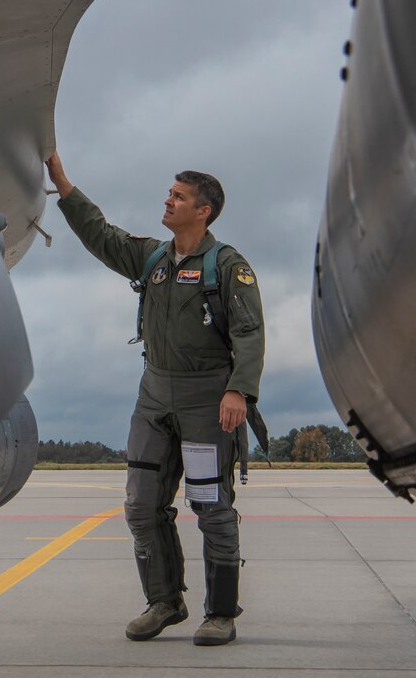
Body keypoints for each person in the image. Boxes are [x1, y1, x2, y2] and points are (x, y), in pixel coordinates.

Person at [44, 150, 265, 646]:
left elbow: (250, 333)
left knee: (210, 507)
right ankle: (165, 602)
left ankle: (221, 613)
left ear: (203, 210)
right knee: (141, 507)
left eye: (179, 196)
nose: (168, 201)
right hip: (154, 399)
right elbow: (102, 235)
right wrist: (63, 185)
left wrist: (239, 391)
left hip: (208, 400)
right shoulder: (153, 259)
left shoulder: (228, 266)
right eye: (170, 193)